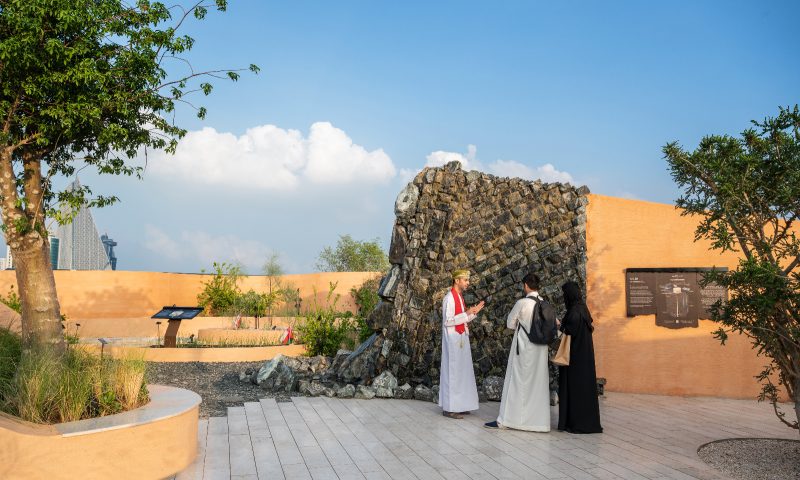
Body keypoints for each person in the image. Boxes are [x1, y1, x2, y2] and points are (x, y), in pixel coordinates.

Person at [485, 272, 551, 431]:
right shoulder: (545, 303)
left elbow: (510, 323)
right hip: (540, 350)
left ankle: (508, 420)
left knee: (516, 382)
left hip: (524, 347)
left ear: (526, 286)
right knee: (537, 383)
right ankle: (539, 423)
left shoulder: (522, 303)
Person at [557, 281, 603, 434]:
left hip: (574, 359)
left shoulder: (574, 312)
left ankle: (576, 423)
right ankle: (584, 421)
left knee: (574, 389)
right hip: (584, 359)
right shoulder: (583, 309)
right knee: (583, 390)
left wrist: (558, 325)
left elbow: (568, 331)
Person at [439, 269, 485, 419]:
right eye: (465, 280)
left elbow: (462, 318)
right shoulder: (449, 298)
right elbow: (448, 321)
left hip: (461, 338)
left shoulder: (459, 297)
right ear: (457, 280)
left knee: (462, 372)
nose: (467, 283)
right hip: (453, 340)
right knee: (453, 373)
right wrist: (467, 313)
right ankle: (450, 408)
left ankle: (461, 405)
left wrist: (473, 312)